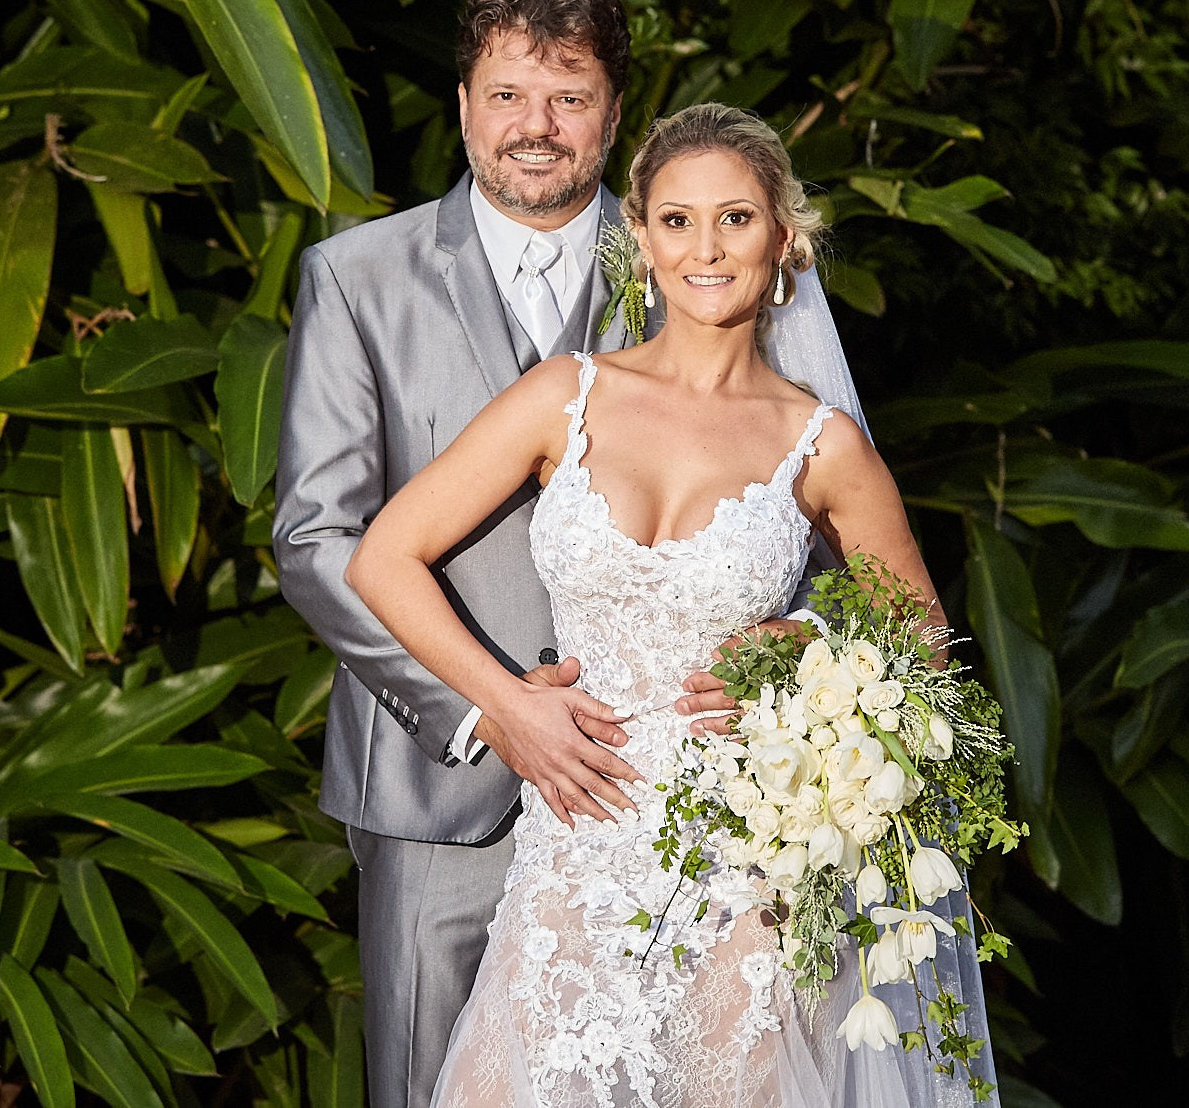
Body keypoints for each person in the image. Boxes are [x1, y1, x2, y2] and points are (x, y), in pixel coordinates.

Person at [273, 0, 865, 1108]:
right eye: (507, 94)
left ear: (612, 112)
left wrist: (792, 646)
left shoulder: (695, 262)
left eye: (569, 96)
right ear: (463, 104)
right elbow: (316, 538)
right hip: (441, 791)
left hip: (687, 806)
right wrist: (490, 707)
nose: (534, 126)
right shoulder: (356, 278)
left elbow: (835, 538)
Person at [345, 104, 988, 1105]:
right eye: (677, 220)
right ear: (640, 240)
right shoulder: (563, 394)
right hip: (572, 852)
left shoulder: (822, 443)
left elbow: (922, 642)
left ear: (784, 237)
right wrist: (506, 705)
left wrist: (801, 647)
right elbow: (384, 557)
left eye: (736, 218)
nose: (706, 248)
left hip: (743, 865)